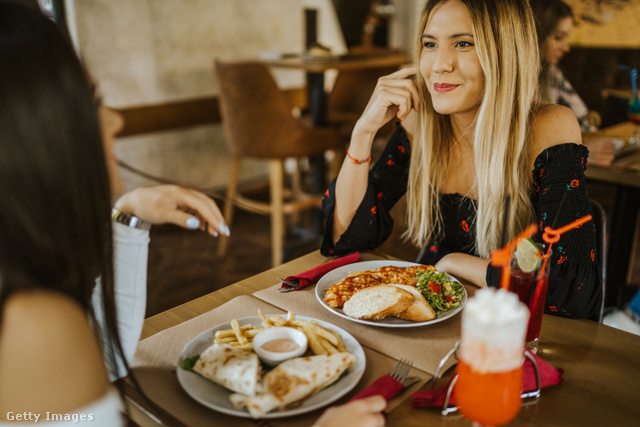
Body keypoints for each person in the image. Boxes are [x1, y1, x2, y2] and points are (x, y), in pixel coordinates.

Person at [0, 3, 387, 426]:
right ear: (28, 136)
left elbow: (103, 358)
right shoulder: (28, 328)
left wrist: (129, 219)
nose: (115, 119)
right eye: (90, 104)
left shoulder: (35, 308)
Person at [321, 0, 602, 319]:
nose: (439, 64)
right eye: (430, 44)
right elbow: (347, 242)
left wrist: (454, 262)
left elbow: (570, 291)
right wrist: (364, 131)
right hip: (440, 310)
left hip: (517, 327)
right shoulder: (420, 124)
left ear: (504, 52)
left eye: (463, 43)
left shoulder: (548, 127)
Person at [530, 0, 615, 166]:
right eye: (558, 37)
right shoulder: (516, 80)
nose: (566, 47)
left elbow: (584, 120)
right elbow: (520, 144)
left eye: (567, 37)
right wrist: (581, 149)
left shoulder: (552, 73)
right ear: (537, 35)